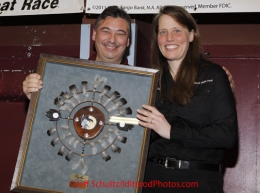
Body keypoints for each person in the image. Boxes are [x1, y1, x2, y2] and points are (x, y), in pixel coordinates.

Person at [136, 5, 237, 193]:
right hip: (153, 180)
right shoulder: (149, 81)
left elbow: (226, 135)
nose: (169, 38)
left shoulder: (213, 75)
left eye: (177, 30)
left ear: (191, 35)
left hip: (199, 181)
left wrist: (171, 131)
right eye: (163, 32)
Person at [22, 6, 131, 99]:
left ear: (128, 41)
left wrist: (148, 123)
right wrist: (36, 97)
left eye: (120, 34)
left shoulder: (141, 84)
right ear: (94, 35)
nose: (112, 40)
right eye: (106, 31)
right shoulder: (66, 77)